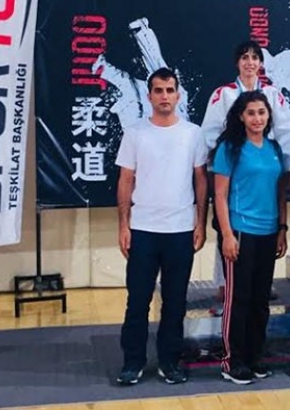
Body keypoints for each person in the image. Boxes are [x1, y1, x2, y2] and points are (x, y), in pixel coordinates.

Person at [114, 68, 208, 386]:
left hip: (180, 230)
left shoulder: (193, 133)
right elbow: (125, 180)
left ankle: (170, 362)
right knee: (137, 301)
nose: (164, 96)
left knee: (175, 302)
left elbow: (201, 180)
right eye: (158, 90)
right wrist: (124, 225)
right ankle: (133, 363)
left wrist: (200, 222)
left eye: (169, 90)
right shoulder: (135, 133)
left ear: (178, 95)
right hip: (143, 230)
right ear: (149, 95)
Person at [201, 41, 290, 301]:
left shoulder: (273, 94)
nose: (250, 63)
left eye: (255, 58)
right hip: (232, 165)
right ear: (237, 63)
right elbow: (209, 133)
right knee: (228, 226)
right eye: (245, 58)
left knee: (265, 229)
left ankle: (262, 283)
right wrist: (218, 161)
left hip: (265, 166)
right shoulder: (224, 94)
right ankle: (225, 282)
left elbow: (288, 133)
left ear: (261, 63)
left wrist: (289, 168)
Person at [211, 91, 289, 385]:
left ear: (269, 116)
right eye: (251, 113)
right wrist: (227, 235)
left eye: (262, 112)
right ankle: (232, 361)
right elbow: (219, 195)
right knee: (239, 299)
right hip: (241, 231)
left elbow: (280, 192)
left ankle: (255, 358)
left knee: (260, 300)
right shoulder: (230, 148)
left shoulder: (274, 148)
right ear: (241, 117)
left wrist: (282, 228)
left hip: (269, 233)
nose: (257, 118)